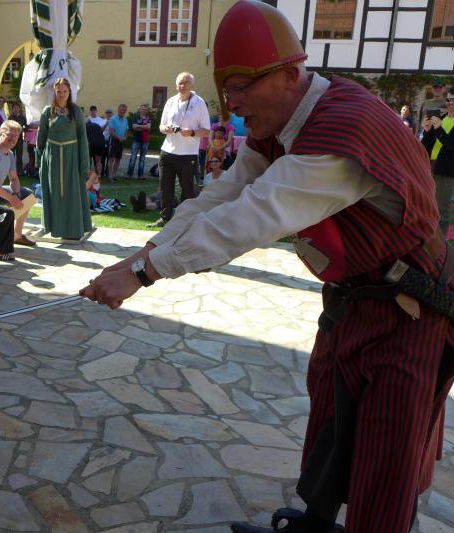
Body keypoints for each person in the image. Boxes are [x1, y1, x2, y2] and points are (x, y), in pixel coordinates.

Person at [82, 2, 453, 532]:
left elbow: (252, 216)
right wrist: (141, 255)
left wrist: (145, 274)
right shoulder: (283, 124)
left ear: (287, 75)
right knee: (330, 416)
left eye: (240, 88)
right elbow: (224, 195)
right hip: (356, 300)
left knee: (385, 455)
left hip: (409, 309)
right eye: (226, 91)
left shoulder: (343, 132)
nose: (232, 105)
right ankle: (315, 525)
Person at [149, 71, 211, 228]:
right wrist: (166, 129)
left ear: (192, 85)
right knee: (165, 188)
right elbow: (161, 126)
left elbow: (206, 131)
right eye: (180, 83)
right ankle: (165, 218)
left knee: (187, 190)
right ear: (176, 85)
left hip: (188, 154)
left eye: (186, 83)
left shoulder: (199, 103)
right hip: (167, 152)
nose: (182, 86)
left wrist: (191, 133)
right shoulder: (170, 101)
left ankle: (185, 220)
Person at [36, 77, 93, 240]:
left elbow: (82, 138)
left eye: (65, 91)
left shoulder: (76, 111)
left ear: (69, 92)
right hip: (52, 158)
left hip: (71, 158)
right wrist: (40, 160)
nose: (62, 94)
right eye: (59, 91)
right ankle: (56, 228)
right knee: (54, 193)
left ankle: (73, 230)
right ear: (54, 92)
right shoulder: (48, 111)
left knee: (72, 193)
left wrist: (84, 164)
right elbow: (41, 137)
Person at [0, 120, 36, 258]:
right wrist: (11, 199)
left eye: (16, 136)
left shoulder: (10, 154)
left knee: (28, 196)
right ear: (1, 133)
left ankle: (17, 235)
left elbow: (14, 179)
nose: (13, 139)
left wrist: (16, 194)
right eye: (10, 135)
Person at [422, 86, 454, 236]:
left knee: (441, 209)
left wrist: (439, 129)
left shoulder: (441, 122)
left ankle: (441, 243)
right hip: (430, 166)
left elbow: (451, 146)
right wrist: (427, 131)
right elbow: (426, 145)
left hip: (446, 170)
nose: (450, 103)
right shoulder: (441, 118)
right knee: (428, 204)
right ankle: (429, 237)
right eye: (448, 99)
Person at [127, 103, 151, 179]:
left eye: (145, 109)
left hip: (145, 141)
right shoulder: (135, 117)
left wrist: (139, 126)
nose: (143, 110)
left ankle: (140, 175)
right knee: (133, 158)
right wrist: (144, 127)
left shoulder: (148, 118)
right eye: (142, 109)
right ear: (139, 110)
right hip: (136, 140)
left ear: (147, 111)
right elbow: (134, 127)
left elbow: (148, 127)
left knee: (142, 159)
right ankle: (129, 175)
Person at [106, 104, 128, 181]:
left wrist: (125, 137)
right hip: (113, 140)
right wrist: (119, 138)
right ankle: (109, 176)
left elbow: (126, 130)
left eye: (124, 110)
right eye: (121, 110)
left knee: (118, 159)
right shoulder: (113, 119)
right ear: (118, 109)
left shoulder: (125, 119)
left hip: (121, 141)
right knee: (111, 158)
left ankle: (114, 175)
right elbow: (111, 131)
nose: (123, 111)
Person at [86, 105, 108, 177]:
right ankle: (99, 175)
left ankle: (88, 175)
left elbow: (85, 137)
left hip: (93, 143)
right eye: (91, 110)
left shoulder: (86, 125)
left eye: (94, 110)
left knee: (88, 159)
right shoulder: (96, 125)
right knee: (98, 160)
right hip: (101, 142)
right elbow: (101, 131)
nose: (93, 112)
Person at [8, 101, 27, 176]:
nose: (16, 109)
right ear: (12, 109)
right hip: (12, 139)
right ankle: (11, 172)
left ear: (19, 109)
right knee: (11, 156)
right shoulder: (10, 118)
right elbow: (8, 127)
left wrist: (24, 128)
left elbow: (26, 126)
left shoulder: (22, 117)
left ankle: (20, 171)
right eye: (14, 108)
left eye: (17, 108)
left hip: (19, 140)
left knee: (19, 156)